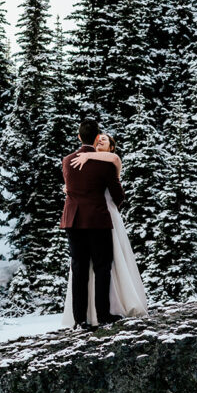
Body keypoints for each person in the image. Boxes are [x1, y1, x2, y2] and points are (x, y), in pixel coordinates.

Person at [61, 121, 148, 329]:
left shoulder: (67, 160)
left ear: (79, 137)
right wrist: (112, 206)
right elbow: (118, 195)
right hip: (98, 218)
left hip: (73, 220)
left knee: (79, 268)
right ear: (96, 136)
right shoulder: (105, 164)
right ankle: (102, 314)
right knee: (102, 267)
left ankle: (80, 320)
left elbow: (71, 188)